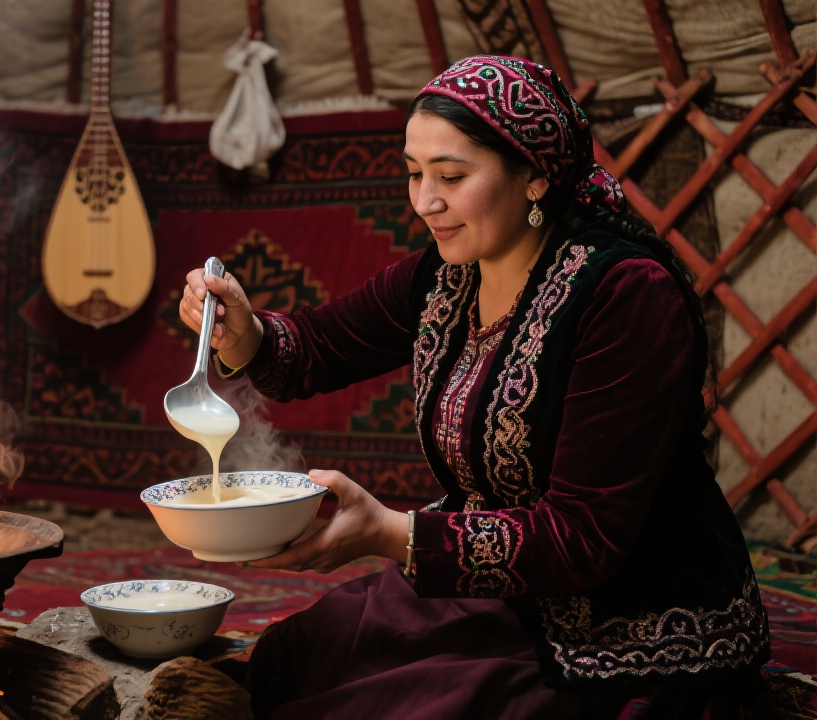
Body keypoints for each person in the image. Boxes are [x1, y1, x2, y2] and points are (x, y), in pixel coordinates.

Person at [179, 55, 769, 719]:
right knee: (294, 658)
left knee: (395, 705)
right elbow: (315, 349)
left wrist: (391, 535)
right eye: (413, 172)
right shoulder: (447, 273)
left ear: (536, 176)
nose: (425, 200)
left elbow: (585, 537)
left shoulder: (626, 296)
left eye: (451, 176)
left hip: (625, 617)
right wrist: (238, 329)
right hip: (494, 581)